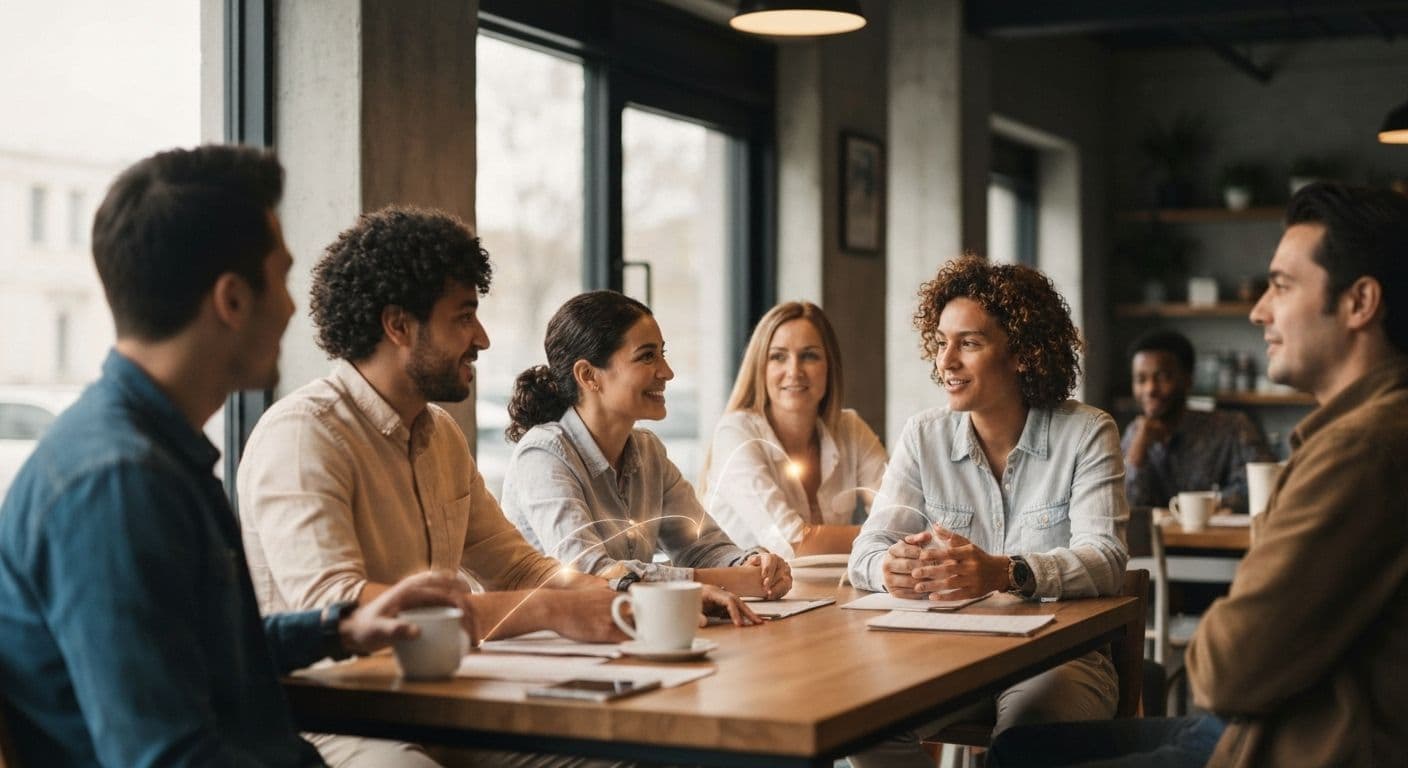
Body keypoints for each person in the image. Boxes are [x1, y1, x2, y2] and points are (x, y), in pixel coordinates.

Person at [0, 146, 474, 767]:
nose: (292, 306)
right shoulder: (117, 485)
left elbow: (191, 651)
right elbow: (167, 757)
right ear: (231, 300)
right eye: (280, 277)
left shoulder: (149, 454)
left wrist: (337, 629)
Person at [240, 207, 685, 766]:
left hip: (444, 699)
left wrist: (635, 599)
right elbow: (339, 610)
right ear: (399, 325)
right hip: (335, 718)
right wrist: (548, 612)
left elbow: (522, 568)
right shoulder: (304, 435)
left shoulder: (441, 435)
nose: (483, 338)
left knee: (637, 754)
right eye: (464, 317)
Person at [988, 182, 1408, 767]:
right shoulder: (1358, 433)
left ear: (1361, 302)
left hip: (1291, 741)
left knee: (1018, 757)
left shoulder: (1362, 448)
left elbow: (1224, 672)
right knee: (1016, 749)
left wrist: (1222, 632)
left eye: (1282, 286)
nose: (1259, 309)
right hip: (1263, 721)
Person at [846, 257, 1129, 768]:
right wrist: (889, 569)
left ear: (1022, 353)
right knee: (865, 731)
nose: (945, 362)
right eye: (940, 342)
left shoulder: (1087, 432)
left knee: (1026, 741)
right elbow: (866, 549)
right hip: (950, 655)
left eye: (969, 343)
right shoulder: (923, 435)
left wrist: (1006, 572)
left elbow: (1106, 557)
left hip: (1057, 658)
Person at [501, 289, 792, 600]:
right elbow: (592, 574)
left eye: (662, 354)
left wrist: (752, 564)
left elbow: (701, 546)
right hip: (545, 643)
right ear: (588, 375)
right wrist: (732, 580)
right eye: (647, 356)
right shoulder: (543, 455)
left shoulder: (648, 451)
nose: (667, 372)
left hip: (624, 634)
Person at [698, 301, 887, 558]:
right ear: (760, 367)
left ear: (829, 366)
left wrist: (891, 533)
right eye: (778, 356)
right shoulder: (736, 433)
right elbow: (791, 543)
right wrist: (876, 536)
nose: (794, 371)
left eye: (809, 355)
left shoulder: (850, 428)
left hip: (820, 591)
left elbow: (897, 513)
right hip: (742, 595)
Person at [1122, 328, 1275, 513]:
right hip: (1155, 542)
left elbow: (1263, 488)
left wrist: (1203, 505)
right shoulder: (1134, 434)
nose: (1150, 389)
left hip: (1220, 540)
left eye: (1162, 377)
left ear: (1188, 379)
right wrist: (1137, 453)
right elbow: (1122, 507)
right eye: (1141, 379)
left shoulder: (1233, 428)